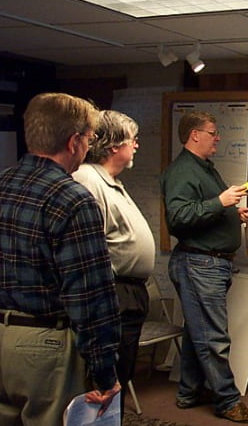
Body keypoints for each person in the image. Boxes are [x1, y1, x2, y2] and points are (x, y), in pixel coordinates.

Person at [0, 92, 121, 425]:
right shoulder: (73, 200)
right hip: (45, 348)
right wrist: (105, 372)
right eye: (89, 140)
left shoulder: (2, 184)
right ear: (73, 142)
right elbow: (90, 295)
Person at [160, 111, 248, 423]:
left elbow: (203, 209)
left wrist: (232, 214)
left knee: (197, 331)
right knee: (213, 337)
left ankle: (189, 391)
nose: (218, 138)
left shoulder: (204, 167)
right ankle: (227, 401)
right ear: (195, 135)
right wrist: (221, 203)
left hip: (208, 263)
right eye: (213, 132)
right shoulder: (182, 171)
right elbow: (178, 218)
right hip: (199, 264)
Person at [72, 109, 155, 421]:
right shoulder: (88, 179)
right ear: (113, 145)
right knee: (104, 385)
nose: (136, 145)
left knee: (120, 376)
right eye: (133, 139)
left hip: (129, 292)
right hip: (113, 292)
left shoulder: (111, 181)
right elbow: (87, 248)